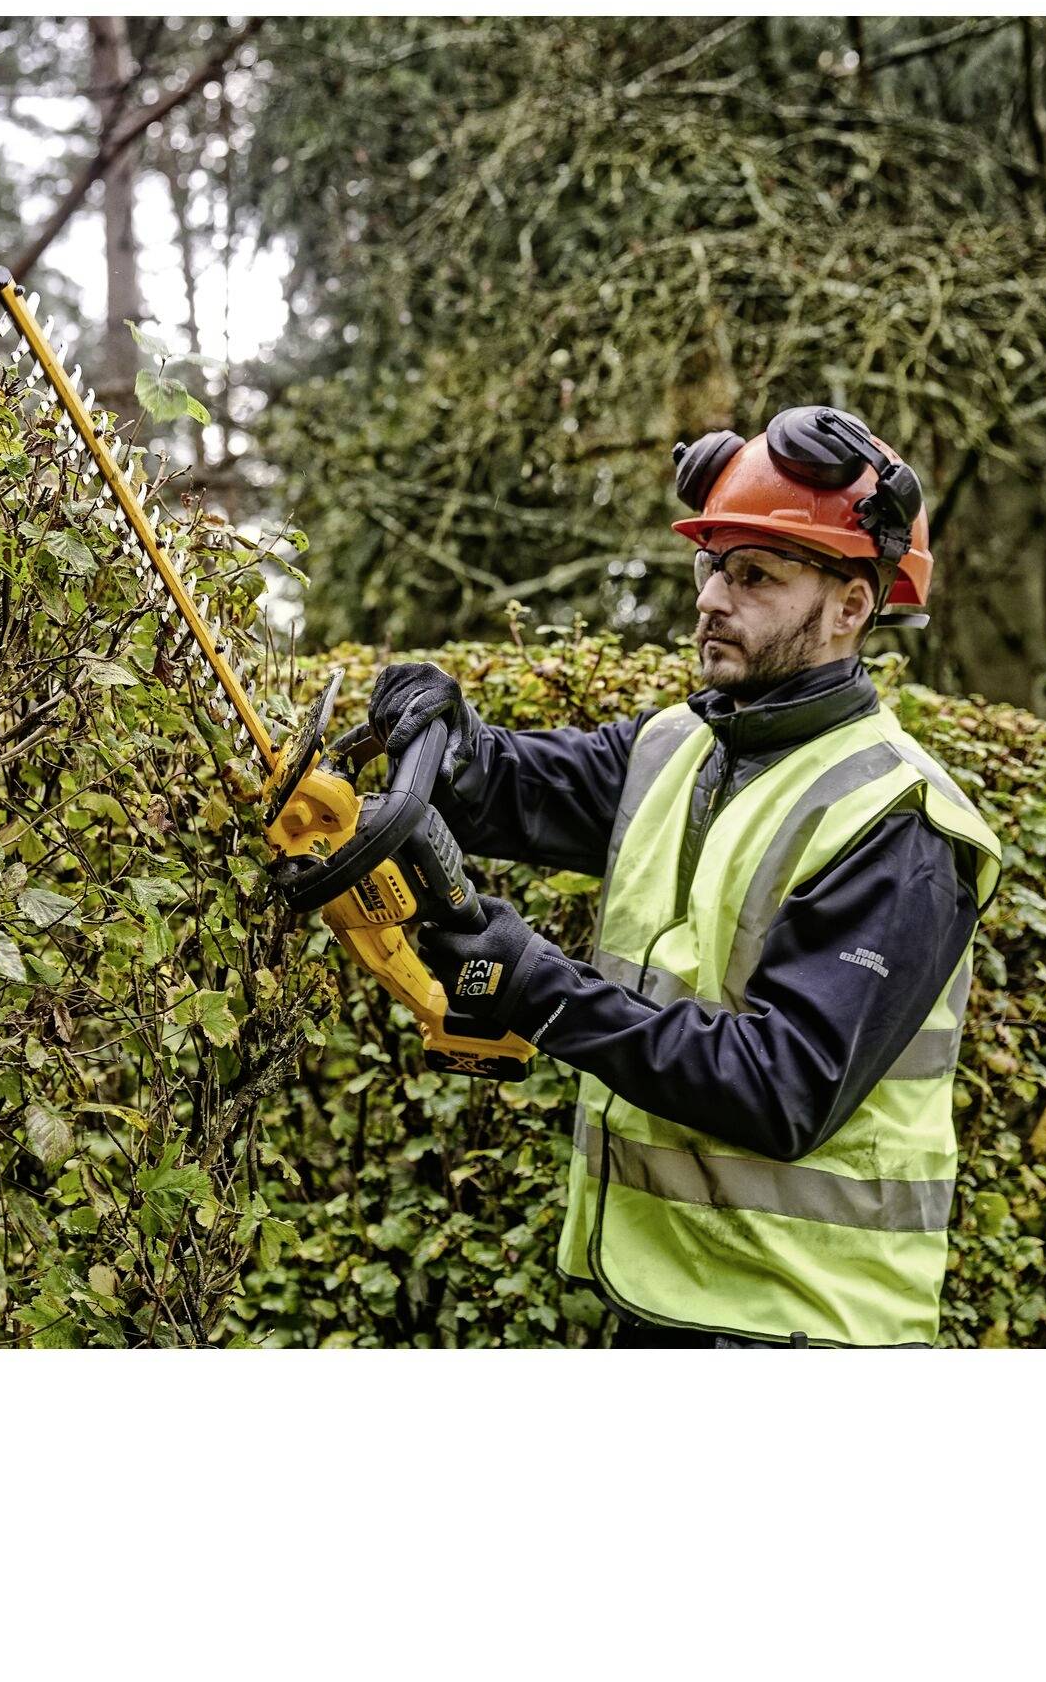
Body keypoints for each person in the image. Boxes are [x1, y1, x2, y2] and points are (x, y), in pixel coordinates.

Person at [366, 406, 1004, 1347]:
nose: (711, 599)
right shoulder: (679, 748)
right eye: (711, 567)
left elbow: (783, 1087)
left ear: (850, 607)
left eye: (755, 576)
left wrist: (540, 990)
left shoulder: (900, 821)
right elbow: (502, 786)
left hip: (803, 1326)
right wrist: (438, 729)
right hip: (668, 1299)